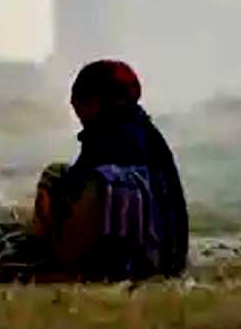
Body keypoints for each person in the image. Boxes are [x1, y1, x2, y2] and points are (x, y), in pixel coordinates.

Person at [32, 59, 188, 281]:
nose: (78, 114)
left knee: (105, 184)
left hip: (140, 263)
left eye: (80, 105)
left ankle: (57, 265)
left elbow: (92, 185)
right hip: (164, 255)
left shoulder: (124, 141)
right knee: (56, 174)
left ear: (95, 102)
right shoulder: (133, 130)